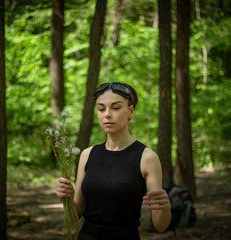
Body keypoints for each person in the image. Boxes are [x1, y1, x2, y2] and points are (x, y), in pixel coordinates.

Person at [56, 82, 171, 240]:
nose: (107, 114)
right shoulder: (87, 155)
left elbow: (160, 225)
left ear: (130, 111)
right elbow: (74, 217)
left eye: (116, 108)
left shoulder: (146, 158)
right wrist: (66, 200)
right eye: (101, 108)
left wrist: (165, 208)